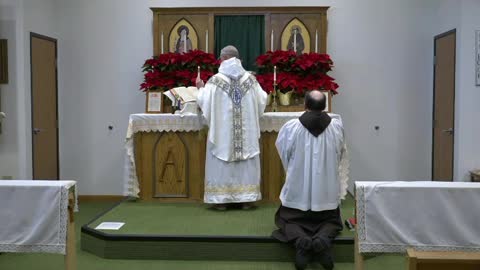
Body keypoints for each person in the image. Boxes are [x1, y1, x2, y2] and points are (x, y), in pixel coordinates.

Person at [272, 90, 349, 270]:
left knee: (286, 220)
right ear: (325, 107)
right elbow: (341, 154)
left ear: (305, 105)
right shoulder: (337, 127)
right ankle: (321, 241)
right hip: (326, 197)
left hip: (297, 198)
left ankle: (302, 242)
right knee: (332, 222)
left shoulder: (291, 127)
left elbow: (284, 153)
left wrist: (294, 171)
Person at [196, 45, 267, 210]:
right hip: (246, 138)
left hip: (223, 137)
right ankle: (247, 199)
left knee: (221, 157)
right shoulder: (250, 80)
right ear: (238, 59)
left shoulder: (215, 81)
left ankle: (221, 200)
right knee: (247, 161)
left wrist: (200, 88)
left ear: (223, 59)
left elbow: (204, 101)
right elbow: (262, 100)